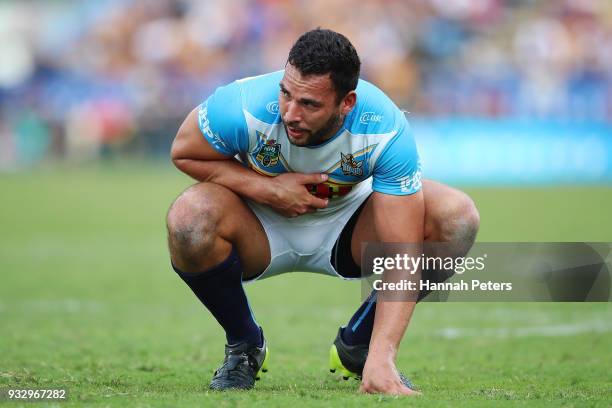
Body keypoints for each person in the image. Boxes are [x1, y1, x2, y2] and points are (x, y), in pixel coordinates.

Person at [167, 28, 479, 396]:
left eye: (309, 104)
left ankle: (361, 349)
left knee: (456, 217)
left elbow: (402, 252)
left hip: (348, 224)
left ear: (346, 103)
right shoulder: (242, 104)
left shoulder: (384, 127)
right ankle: (244, 346)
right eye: (286, 93)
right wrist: (268, 188)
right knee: (188, 217)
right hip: (258, 223)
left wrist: (385, 355)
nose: (290, 113)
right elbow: (184, 151)